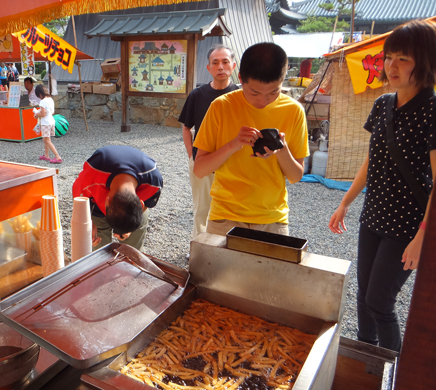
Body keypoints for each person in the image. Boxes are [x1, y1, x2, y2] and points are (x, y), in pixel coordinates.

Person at [329, 20, 436, 352]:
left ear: (425, 61)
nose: (392, 66)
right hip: (374, 215)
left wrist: (423, 236)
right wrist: (346, 202)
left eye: (403, 58)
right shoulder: (383, 104)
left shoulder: (432, 110)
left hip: (408, 224)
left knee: (379, 301)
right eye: (390, 57)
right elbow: (372, 159)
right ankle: (366, 360)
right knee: (363, 296)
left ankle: (392, 374)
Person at [193, 42, 308, 237]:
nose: (263, 101)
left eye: (274, 92)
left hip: (272, 219)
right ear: (240, 78)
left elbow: (296, 176)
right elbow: (200, 169)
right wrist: (234, 144)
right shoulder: (221, 107)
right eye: (254, 93)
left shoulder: (294, 111)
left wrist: (282, 149)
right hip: (224, 217)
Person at [178, 44, 238, 240]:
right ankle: (198, 247)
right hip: (202, 161)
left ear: (233, 66)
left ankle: (223, 247)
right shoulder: (198, 95)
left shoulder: (240, 97)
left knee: (230, 210)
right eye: (215, 62)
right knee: (201, 209)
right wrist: (191, 154)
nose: (220, 67)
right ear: (208, 68)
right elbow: (186, 126)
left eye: (225, 62)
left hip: (232, 163)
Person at [72, 146, 163, 251]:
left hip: (131, 211)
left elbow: (148, 204)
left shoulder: (154, 181)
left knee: (132, 251)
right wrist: (89, 223)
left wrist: (129, 229)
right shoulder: (93, 173)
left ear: (141, 204)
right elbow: (78, 200)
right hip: (97, 207)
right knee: (99, 251)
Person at [33, 84, 62, 164]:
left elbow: (43, 114)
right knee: (46, 139)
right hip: (51, 121)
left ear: (39, 94)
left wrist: (36, 114)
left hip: (46, 123)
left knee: (46, 140)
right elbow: (52, 112)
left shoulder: (43, 101)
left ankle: (57, 156)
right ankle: (46, 155)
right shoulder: (50, 99)